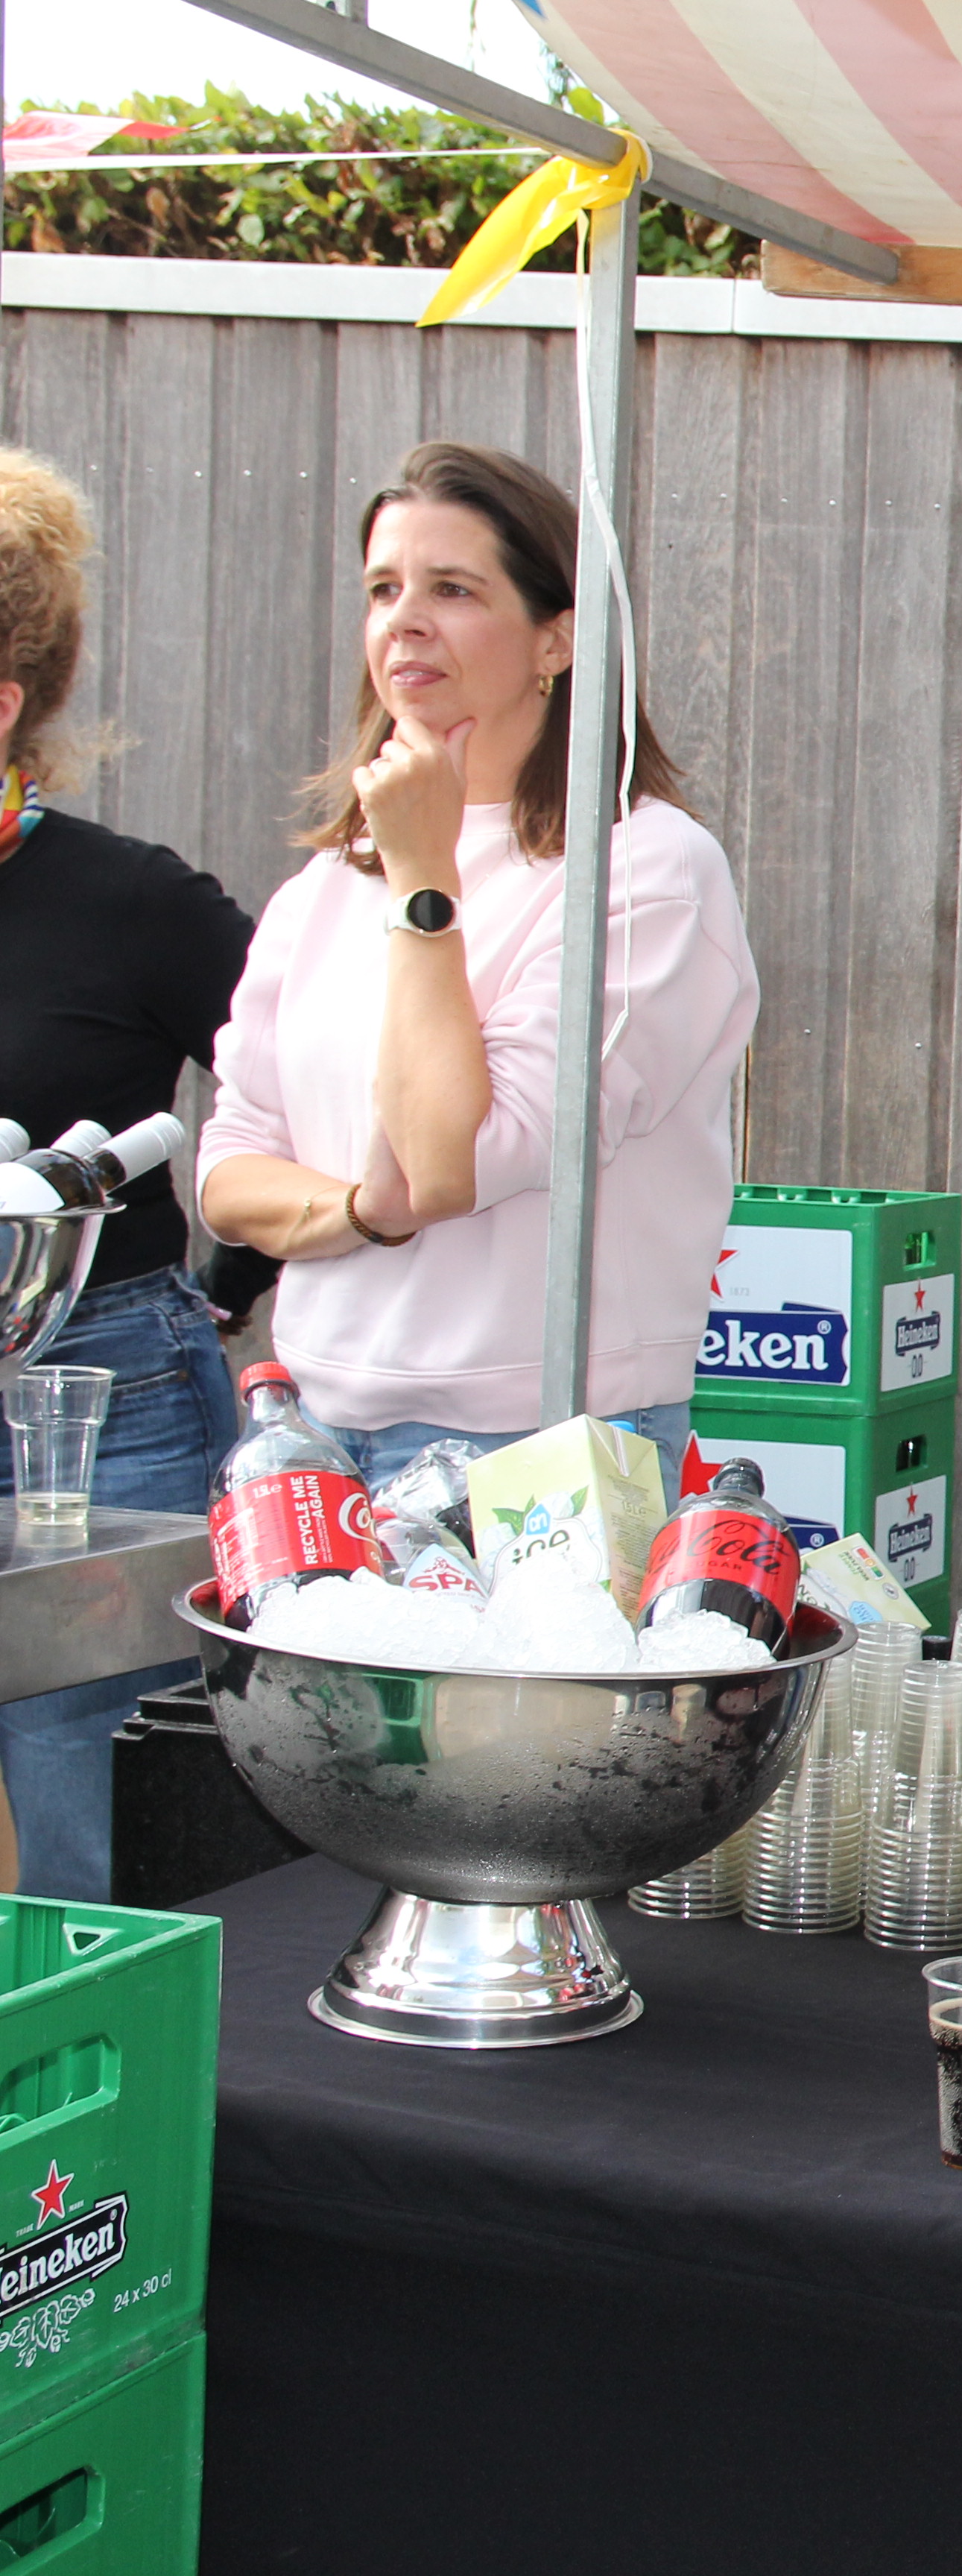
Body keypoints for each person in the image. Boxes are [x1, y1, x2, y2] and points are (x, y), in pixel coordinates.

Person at [197, 442, 758, 1492]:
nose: (404, 621)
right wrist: (364, 1214)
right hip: (311, 1434)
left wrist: (424, 879)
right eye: (383, 589)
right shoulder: (327, 882)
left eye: (452, 589)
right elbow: (230, 1170)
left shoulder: (645, 869)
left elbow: (454, 1162)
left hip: (542, 1442)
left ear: (557, 639)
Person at [0, 448, 266, 1899]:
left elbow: (303, 1085)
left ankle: (102, 2049)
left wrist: (231, 1280)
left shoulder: (132, 902)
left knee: (87, 1802)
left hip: (106, 1402)